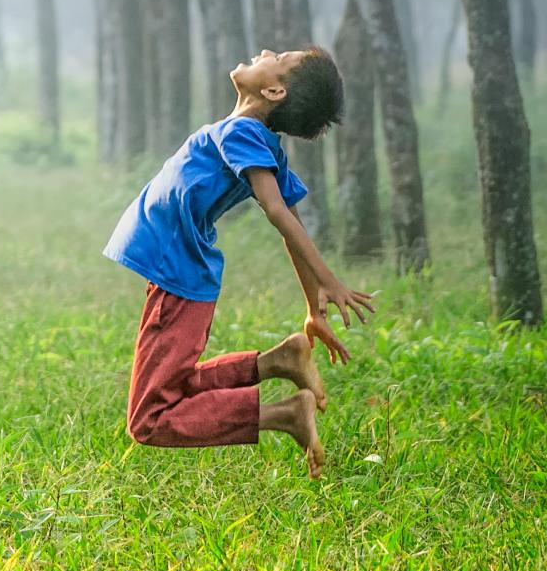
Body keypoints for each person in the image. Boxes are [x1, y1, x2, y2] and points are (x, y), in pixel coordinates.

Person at [104, 47, 374, 477]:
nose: (266, 51)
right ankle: (278, 362)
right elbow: (291, 216)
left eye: (279, 57)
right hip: (178, 273)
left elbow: (279, 211)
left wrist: (328, 281)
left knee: (150, 419)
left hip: (178, 276)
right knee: (173, 387)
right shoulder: (251, 136)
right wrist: (312, 307)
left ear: (273, 89)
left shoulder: (244, 133)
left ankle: (285, 415)